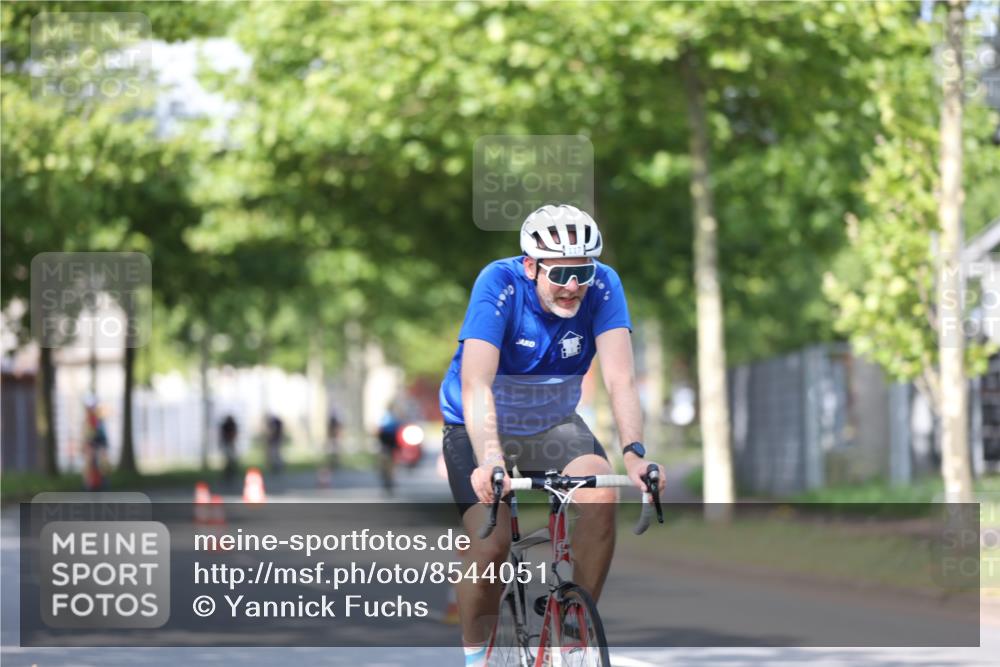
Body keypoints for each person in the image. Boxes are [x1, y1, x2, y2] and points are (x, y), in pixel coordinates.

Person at [439, 204, 666, 666]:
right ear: (530, 265)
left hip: (551, 424)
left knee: (600, 494)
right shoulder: (499, 283)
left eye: (582, 271)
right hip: (480, 425)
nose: (573, 285)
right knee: (491, 545)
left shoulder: (603, 285)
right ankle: (476, 657)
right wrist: (490, 459)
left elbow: (621, 378)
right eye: (561, 272)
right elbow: (476, 383)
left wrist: (636, 455)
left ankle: (572, 628)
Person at [219, 415, 239, 486]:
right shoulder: (226, 425)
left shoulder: (231, 425)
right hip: (227, 443)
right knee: (228, 459)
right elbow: (222, 435)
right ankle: (228, 473)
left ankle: (231, 472)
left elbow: (235, 434)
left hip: (230, 443)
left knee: (231, 459)